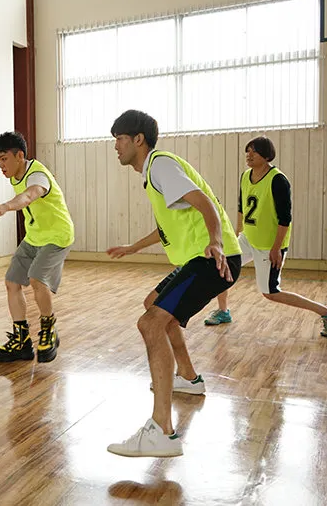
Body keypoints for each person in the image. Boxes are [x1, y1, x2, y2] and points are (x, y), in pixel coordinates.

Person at [105, 110, 242, 457]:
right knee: (153, 306)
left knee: (150, 323)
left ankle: (162, 431)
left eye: (120, 139)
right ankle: (188, 378)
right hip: (200, 258)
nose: (116, 146)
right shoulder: (154, 172)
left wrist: (215, 241)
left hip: (209, 259)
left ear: (138, 140)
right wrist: (133, 247)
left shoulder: (160, 165)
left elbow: (204, 202)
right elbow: (169, 225)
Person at [202, 136, 327, 336]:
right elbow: (242, 207)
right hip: (248, 239)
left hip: (269, 245)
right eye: (248, 151)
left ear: (267, 155)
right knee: (221, 266)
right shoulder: (245, 176)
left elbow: (285, 218)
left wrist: (276, 248)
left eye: (254, 151)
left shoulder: (278, 180)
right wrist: (237, 234)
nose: (249, 155)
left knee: (271, 293)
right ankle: (223, 311)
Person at [0, 131, 74, 364]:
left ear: (20, 156)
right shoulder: (17, 175)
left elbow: (28, 196)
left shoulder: (37, 175)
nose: (1, 165)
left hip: (57, 236)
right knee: (12, 282)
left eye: (4, 159)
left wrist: (6, 206)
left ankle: (49, 329)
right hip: (34, 237)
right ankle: (22, 340)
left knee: (37, 279)